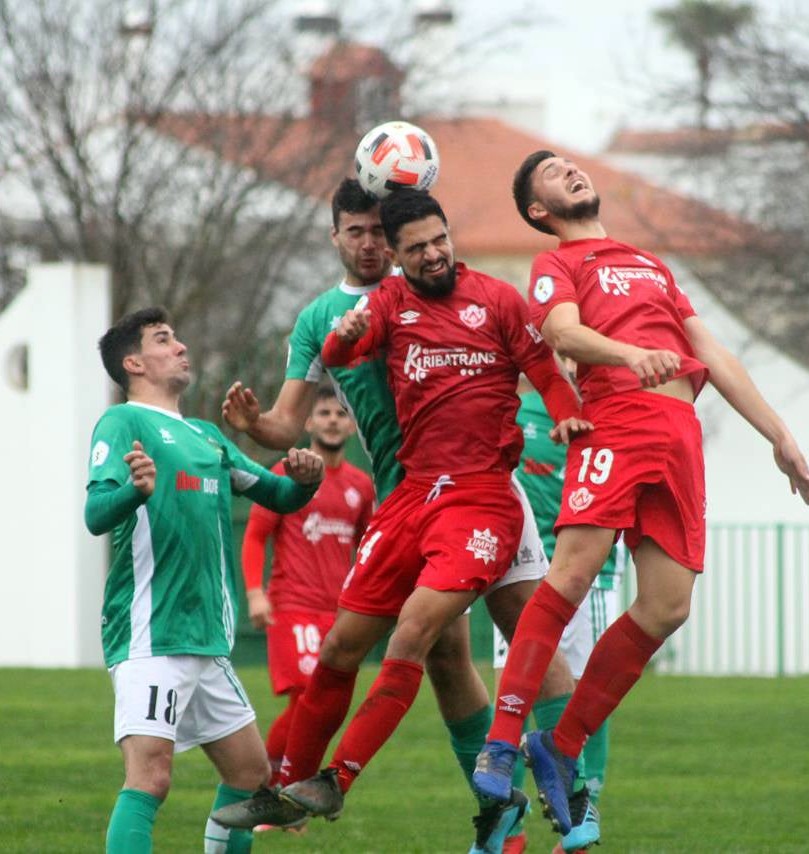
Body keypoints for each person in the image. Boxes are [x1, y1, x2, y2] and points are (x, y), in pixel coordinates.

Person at [212, 180, 577, 854]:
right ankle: (292, 787)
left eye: (434, 240)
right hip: (408, 497)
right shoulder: (359, 309)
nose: (427, 252)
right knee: (359, 649)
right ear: (343, 239)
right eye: (363, 233)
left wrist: (567, 416)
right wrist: (271, 409)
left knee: (516, 638)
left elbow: (545, 370)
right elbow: (318, 382)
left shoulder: (495, 297)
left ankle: (574, 805)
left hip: (485, 495)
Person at [472, 152, 809, 837]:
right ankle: (502, 740)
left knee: (667, 606)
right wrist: (630, 355)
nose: (570, 170)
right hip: (617, 418)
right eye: (552, 173)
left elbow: (712, 354)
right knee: (571, 574)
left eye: (569, 164)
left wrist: (779, 435)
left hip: (678, 434)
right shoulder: (556, 263)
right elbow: (561, 332)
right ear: (538, 210)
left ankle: (560, 745)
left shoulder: (649, 263)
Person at [85, 307, 325, 854]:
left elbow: (278, 494)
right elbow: (96, 514)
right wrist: (134, 492)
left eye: (176, 337)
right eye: (163, 339)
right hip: (151, 634)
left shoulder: (207, 436)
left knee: (251, 776)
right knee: (151, 778)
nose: (181, 347)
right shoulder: (122, 423)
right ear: (133, 363)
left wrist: (305, 482)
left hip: (207, 640)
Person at [493, 369, 629, 854]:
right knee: (514, 691)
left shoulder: (609, 413)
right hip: (524, 574)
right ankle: (509, 824)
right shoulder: (517, 411)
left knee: (589, 694)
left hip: (591, 576)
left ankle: (583, 812)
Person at [240, 385, 374, 785]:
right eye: (324, 413)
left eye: (340, 414)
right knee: (305, 699)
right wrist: (255, 593)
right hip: (292, 606)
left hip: (338, 612)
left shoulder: (361, 486)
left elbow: (368, 546)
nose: (332, 420)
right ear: (308, 423)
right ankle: (264, 783)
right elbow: (255, 535)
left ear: (352, 425)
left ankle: (286, 789)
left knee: (323, 706)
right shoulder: (287, 475)